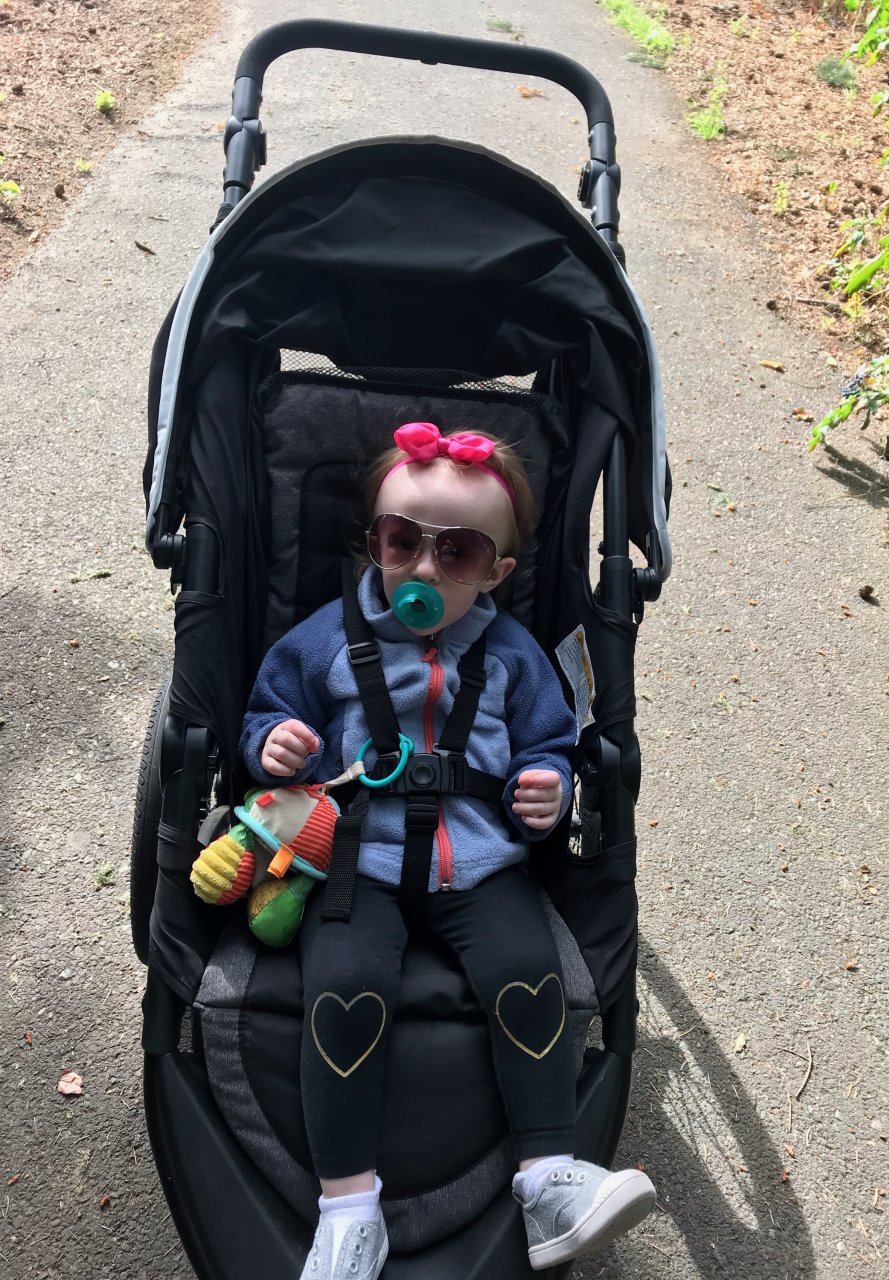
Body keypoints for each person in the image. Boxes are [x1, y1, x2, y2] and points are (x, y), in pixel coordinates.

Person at [239, 422, 656, 1279]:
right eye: (405, 542)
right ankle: (349, 1211)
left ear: (498, 571)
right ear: (375, 544)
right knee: (345, 988)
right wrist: (272, 743)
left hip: (479, 857)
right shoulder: (324, 639)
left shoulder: (513, 657)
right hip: (357, 857)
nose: (425, 570)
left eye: (458, 552)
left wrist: (546, 788)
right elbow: (268, 708)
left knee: (527, 975)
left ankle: (548, 1179)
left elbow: (548, 742)